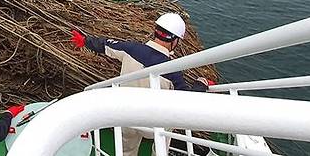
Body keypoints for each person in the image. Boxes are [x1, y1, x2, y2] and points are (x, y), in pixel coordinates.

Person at [70, 12, 213, 156]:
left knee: (126, 150)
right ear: (175, 40)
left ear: (156, 31)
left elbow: (105, 45)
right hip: (153, 125)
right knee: (167, 129)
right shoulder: (173, 71)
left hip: (126, 116)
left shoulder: (131, 49)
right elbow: (187, 98)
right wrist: (201, 84)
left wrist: (85, 40)